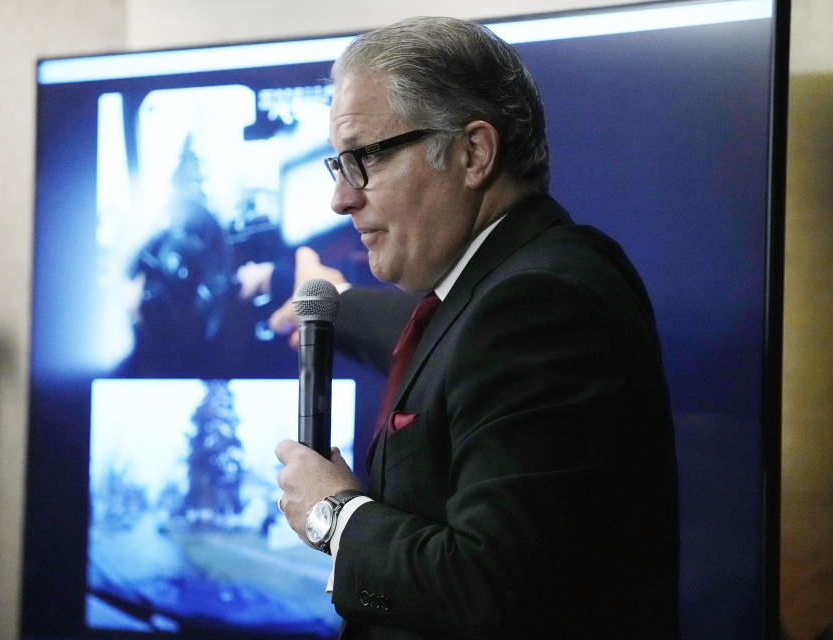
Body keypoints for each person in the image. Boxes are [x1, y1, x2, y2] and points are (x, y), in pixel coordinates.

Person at [272, 16, 679, 639]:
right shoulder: (512, 285)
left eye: (365, 159)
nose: (341, 199)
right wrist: (334, 300)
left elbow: (489, 586)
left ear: (472, 153)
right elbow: (443, 348)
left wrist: (335, 516)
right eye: (338, 165)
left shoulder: (540, 305)